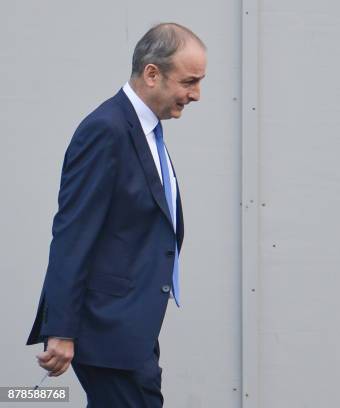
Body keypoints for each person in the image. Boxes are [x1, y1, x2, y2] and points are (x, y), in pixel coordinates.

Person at [25, 22, 207, 407]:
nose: (196, 94)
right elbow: (73, 233)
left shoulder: (145, 130)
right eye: (189, 82)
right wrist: (61, 329)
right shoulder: (106, 130)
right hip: (106, 328)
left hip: (131, 328)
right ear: (152, 74)